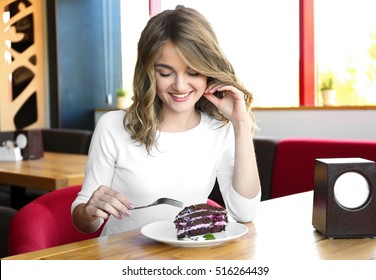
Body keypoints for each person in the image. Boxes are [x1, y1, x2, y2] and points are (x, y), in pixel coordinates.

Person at [72, 6, 261, 236]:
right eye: (166, 73)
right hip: (122, 260)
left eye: (193, 72)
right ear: (149, 72)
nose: (180, 86)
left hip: (186, 260)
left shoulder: (219, 130)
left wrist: (240, 123)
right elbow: (86, 223)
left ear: (208, 73)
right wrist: (91, 210)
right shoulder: (113, 126)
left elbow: (245, 213)